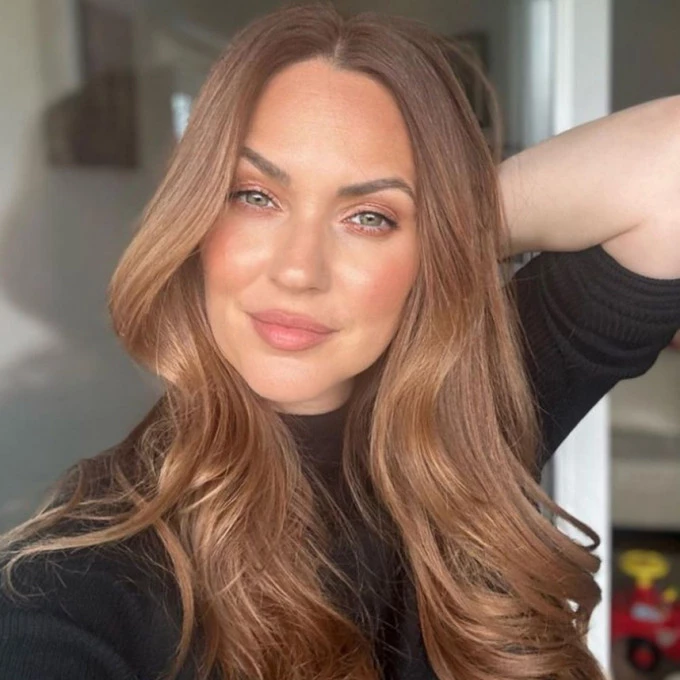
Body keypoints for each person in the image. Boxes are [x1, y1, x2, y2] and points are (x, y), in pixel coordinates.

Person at [1, 3, 679, 679]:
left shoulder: (467, 415)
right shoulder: (78, 581)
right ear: (195, 217)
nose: (299, 270)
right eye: (254, 196)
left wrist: (442, 234)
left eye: (369, 216)